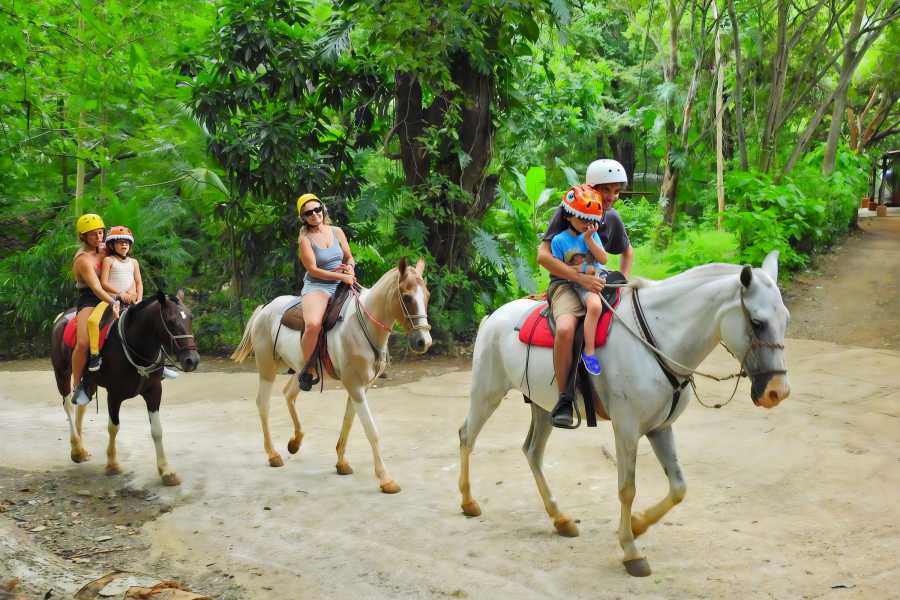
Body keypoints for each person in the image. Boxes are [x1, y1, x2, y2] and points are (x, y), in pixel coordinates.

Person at [537, 159, 634, 428]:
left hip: (598, 279)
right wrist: (578, 277)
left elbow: (627, 251)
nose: (612, 198)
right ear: (591, 187)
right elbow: (543, 256)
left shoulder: (610, 217)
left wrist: (622, 281)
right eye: (607, 191)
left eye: (617, 191)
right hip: (566, 284)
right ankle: (564, 398)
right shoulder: (567, 210)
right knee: (566, 329)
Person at [296, 193, 357, 391]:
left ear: (323, 209)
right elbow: (313, 269)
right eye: (308, 213)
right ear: (303, 217)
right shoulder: (305, 240)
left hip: (342, 280)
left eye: (317, 209)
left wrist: (349, 268)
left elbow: (349, 257)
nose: (314, 214)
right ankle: (308, 368)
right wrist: (342, 277)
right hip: (318, 286)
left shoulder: (337, 231)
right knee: (313, 324)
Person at [549, 187, 608, 376]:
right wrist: (583, 270)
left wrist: (590, 240)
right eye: (582, 219)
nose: (586, 224)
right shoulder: (559, 241)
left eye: (590, 220)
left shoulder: (592, 235)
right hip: (576, 283)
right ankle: (589, 351)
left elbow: (603, 260)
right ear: (568, 216)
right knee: (595, 306)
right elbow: (560, 270)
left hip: (600, 276)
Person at [71, 213, 118, 405]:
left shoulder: (106, 249)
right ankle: (78, 384)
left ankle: (154, 365)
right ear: (83, 237)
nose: (98, 237)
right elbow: (96, 288)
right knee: (83, 342)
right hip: (90, 299)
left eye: (100, 233)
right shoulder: (83, 260)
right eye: (93, 235)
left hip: (115, 293)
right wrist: (114, 302)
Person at [82, 226, 143, 373]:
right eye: (120, 242)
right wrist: (120, 294)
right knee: (92, 321)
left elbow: (139, 282)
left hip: (132, 300)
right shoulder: (109, 260)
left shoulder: (134, 262)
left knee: (153, 319)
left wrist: (139, 300)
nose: (124, 245)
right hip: (111, 298)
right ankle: (95, 354)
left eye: (127, 243)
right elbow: (104, 283)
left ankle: (158, 361)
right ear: (111, 245)